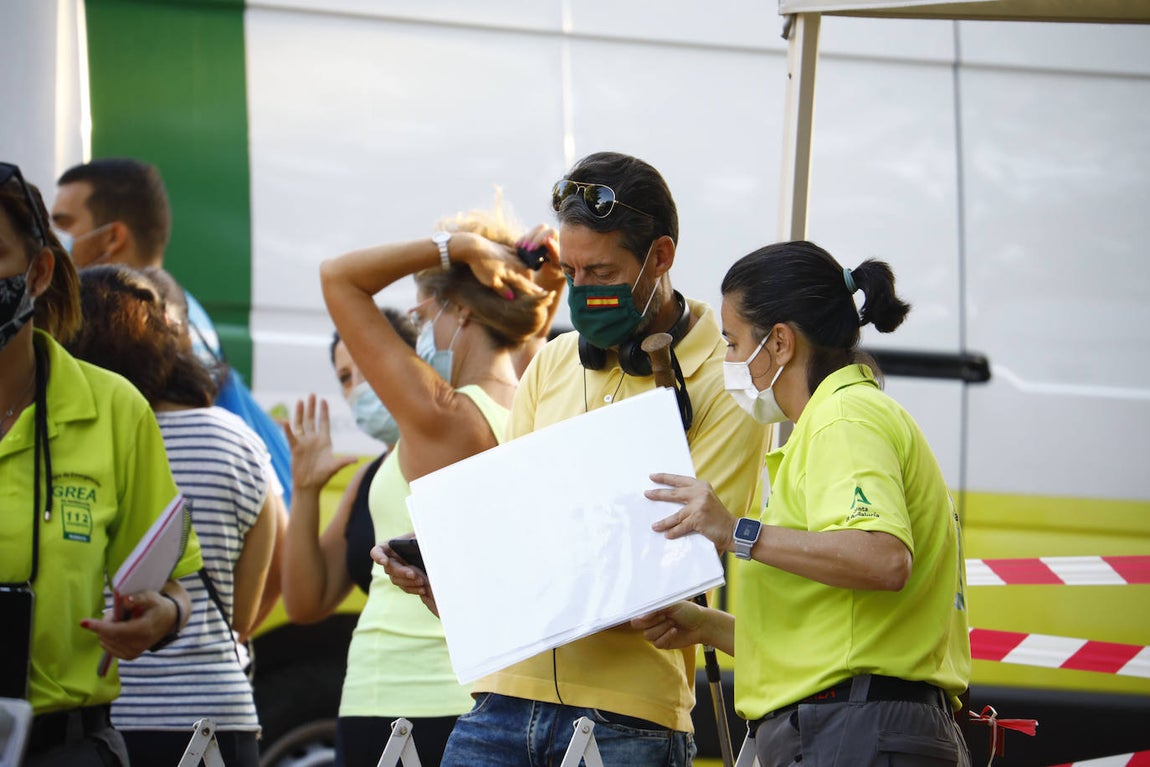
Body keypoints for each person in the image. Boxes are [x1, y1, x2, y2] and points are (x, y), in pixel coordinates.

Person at [381, 151, 769, 767]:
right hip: (501, 698)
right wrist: (450, 576)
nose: (582, 292)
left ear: (661, 257)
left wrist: (514, 572)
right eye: (572, 272)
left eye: (602, 271)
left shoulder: (728, 387)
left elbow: (664, 567)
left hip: (628, 718)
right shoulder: (556, 362)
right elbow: (517, 527)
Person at [635, 240, 972, 767]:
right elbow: (833, 642)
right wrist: (706, 627)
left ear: (781, 343)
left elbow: (883, 559)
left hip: (854, 729)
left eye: (731, 342)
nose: (727, 360)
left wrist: (737, 532)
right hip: (855, 724)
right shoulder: (838, 421)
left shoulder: (845, 419)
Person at [318, 201, 563, 767]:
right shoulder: (536, 404)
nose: (422, 332)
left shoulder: (446, 416)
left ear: (460, 313)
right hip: (490, 700)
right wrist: (539, 276)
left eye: (426, 315)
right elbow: (527, 326)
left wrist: (456, 250)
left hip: (396, 700)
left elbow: (338, 277)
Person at [0, 162, 201, 766]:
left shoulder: (112, 408)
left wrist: (161, 616)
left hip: (62, 745)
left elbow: (171, 588)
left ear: (38, 272)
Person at [66, 264, 280, 767]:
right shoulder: (236, 441)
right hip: (212, 719)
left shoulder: (71, 445)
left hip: (98, 716)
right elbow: (241, 617)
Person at [51, 157, 294, 506]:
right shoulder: (183, 310)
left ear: (114, 237)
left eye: (64, 225)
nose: (54, 240)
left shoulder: (159, 326)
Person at [281, 307, 419, 626]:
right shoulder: (367, 479)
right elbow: (307, 604)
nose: (358, 387)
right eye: (345, 378)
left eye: (368, 364)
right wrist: (305, 489)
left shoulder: (457, 453)